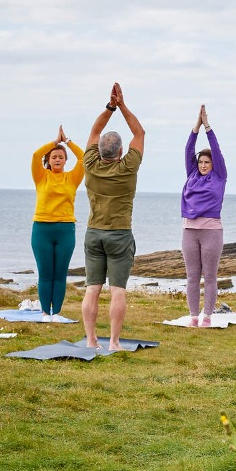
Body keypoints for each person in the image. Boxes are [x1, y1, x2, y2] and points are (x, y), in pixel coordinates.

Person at [82, 83, 145, 350]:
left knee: (92, 288)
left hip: (94, 233)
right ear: (120, 152)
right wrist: (122, 106)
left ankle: (91, 340)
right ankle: (115, 342)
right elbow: (139, 132)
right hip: (119, 234)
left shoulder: (90, 164)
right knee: (117, 290)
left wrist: (110, 106)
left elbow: (95, 131)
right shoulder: (128, 167)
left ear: (100, 151)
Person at [30, 125, 85, 322]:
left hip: (65, 230)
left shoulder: (72, 178)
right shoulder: (41, 176)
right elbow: (36, 155)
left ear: (65, 160)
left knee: (60, 274)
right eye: (54, 157)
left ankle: (57, 313)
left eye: (61, 157)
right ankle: (45, 313)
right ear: (49, 160)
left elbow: (83, 158)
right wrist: (55, 142)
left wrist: (67, 142)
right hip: (42, 229)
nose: (57, 159)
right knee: (45, 273)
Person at [181, 104, 229, 327]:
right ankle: (193, 316)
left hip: (211, 231)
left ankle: (207, 315)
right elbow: (188, 150)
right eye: (200, 162)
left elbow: (216, 150)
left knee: (209, 276)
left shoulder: (219, 176)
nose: (202, 165)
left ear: (213, 165)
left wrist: (207, 127)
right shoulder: (192, 174)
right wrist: (195, 127)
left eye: (206, 162)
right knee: (192, 276)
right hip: (190, 230)